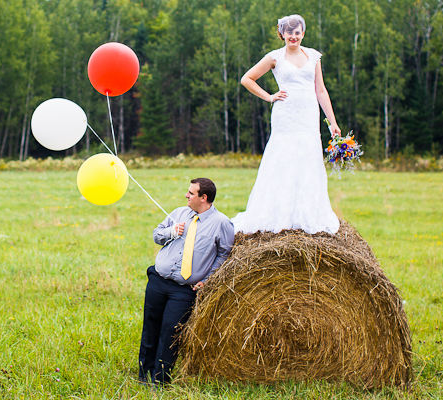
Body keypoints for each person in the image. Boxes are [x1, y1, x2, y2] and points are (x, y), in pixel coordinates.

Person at [232, 14, 341, 235]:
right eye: (289, 32)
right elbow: (247, 79)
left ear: (303, 33)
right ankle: (279, 216)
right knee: (284, 159)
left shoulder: (313, 56)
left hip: (308, 118)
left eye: (297, 32)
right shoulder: (274, 57)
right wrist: (269, 96)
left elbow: (321, 90)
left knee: (307, 159)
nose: (293, 36)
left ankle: (305, 215)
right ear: (282, 34)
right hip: (286, 117)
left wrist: (332, 123)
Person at [138, 178, 234, 385]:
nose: (186, 196)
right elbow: (157, 235)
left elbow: (224, 255)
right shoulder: (179, 213)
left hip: (184, 289)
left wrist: (208, 280)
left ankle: (160, 380)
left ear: (204, 197)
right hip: (158, 279)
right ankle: (143, 375)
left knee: (170, 331)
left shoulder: (222, 223)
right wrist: (171, 232)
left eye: (191, 193)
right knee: (150, 326)